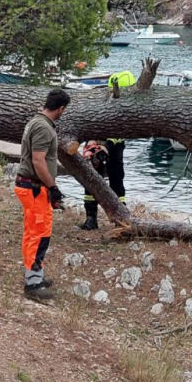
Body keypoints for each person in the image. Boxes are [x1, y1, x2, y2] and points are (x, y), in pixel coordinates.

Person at [16, 89, 69, 301]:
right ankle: (33, 284)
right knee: (40, 234)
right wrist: (53, 187)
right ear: (61, 108)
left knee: (33, 232)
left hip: (33, 187)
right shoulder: (44, 128)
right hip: (35, 187)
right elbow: (38, 160)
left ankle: (33, 274)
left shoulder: (35, 122)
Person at [79, 71, 134, 231]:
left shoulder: (130, 109)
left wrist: (107, 146)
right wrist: (91, 142)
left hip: (114, 148)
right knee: (90, 181)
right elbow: (90, 123)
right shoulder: (102, 103)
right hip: (97, 144)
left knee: (117, 182)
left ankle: (122, 218)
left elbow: (122, 133)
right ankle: (91, 218)